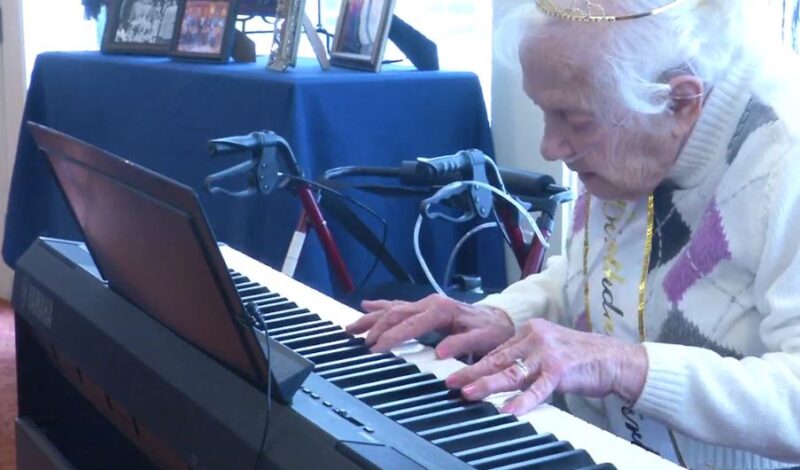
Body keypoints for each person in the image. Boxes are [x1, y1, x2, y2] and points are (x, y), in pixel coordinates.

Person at [346, 0, 800, 468]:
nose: (550, 147)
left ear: (680, 102)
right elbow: (595, 269)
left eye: (575, 120)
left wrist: (623, 364)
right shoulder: (640, 129)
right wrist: (504, 316)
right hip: (595, 447)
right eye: (545, 111)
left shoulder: (784, 159)